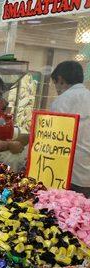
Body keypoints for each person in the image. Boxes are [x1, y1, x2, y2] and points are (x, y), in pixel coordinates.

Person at [50, 60, 90, 197]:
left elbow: (51, 140)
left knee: (66, 212)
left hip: (69, 175)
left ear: (60, 79)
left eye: (55, 83)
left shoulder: (61, 101)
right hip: (87, 177)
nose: (56, 87)